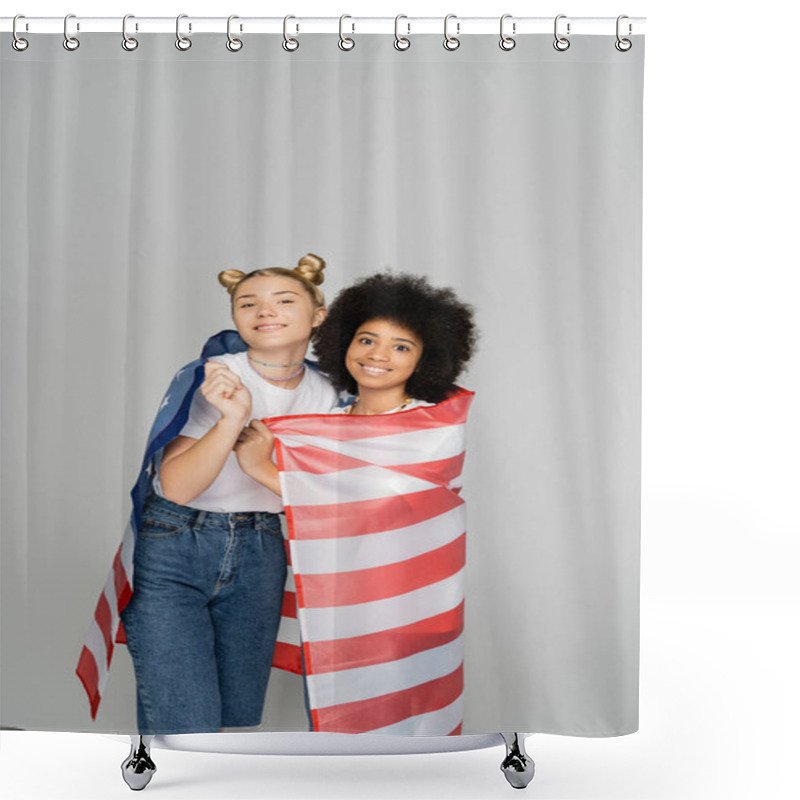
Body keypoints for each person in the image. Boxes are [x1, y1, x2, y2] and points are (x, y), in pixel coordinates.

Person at [234, 272, 478, 735]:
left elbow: (375, 513)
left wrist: (262, 469)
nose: (378, 355)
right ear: (344, 341)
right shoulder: (324, 422)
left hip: (408, 609)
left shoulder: (431, 430)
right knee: (335, 728)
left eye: (401, 347)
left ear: (427, 359)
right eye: (366, 339)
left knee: (405, 735)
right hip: (334, 610)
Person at [118, 254, 339, 735]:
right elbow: (175, 487)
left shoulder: (331, 393)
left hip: (260, 548)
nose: (266, 311)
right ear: (236, 317)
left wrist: (259, 467)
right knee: (185, 722)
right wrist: (231, 419)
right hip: (177, 541)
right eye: (248, 303)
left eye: (284, 300)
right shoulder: (214, 374)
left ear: (317, 315)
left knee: (235, 720)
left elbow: (330, 499)